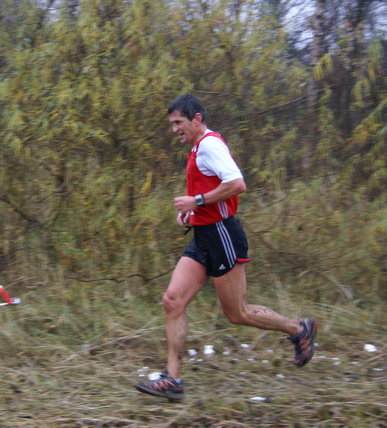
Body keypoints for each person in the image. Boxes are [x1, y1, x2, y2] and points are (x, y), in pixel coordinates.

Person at [135, 94, 317, 401]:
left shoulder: (209, 145)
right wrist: (192, 211)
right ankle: (173, 380)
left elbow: (237, 183)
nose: (174, 129)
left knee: (237, 313)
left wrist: (197, 201)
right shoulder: (196, 148)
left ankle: (298, 328)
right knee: (172, 301)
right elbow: (211, 189)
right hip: (204, 235)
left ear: (197, 119)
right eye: (172, 124)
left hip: (223, 235)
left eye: (179, 123)